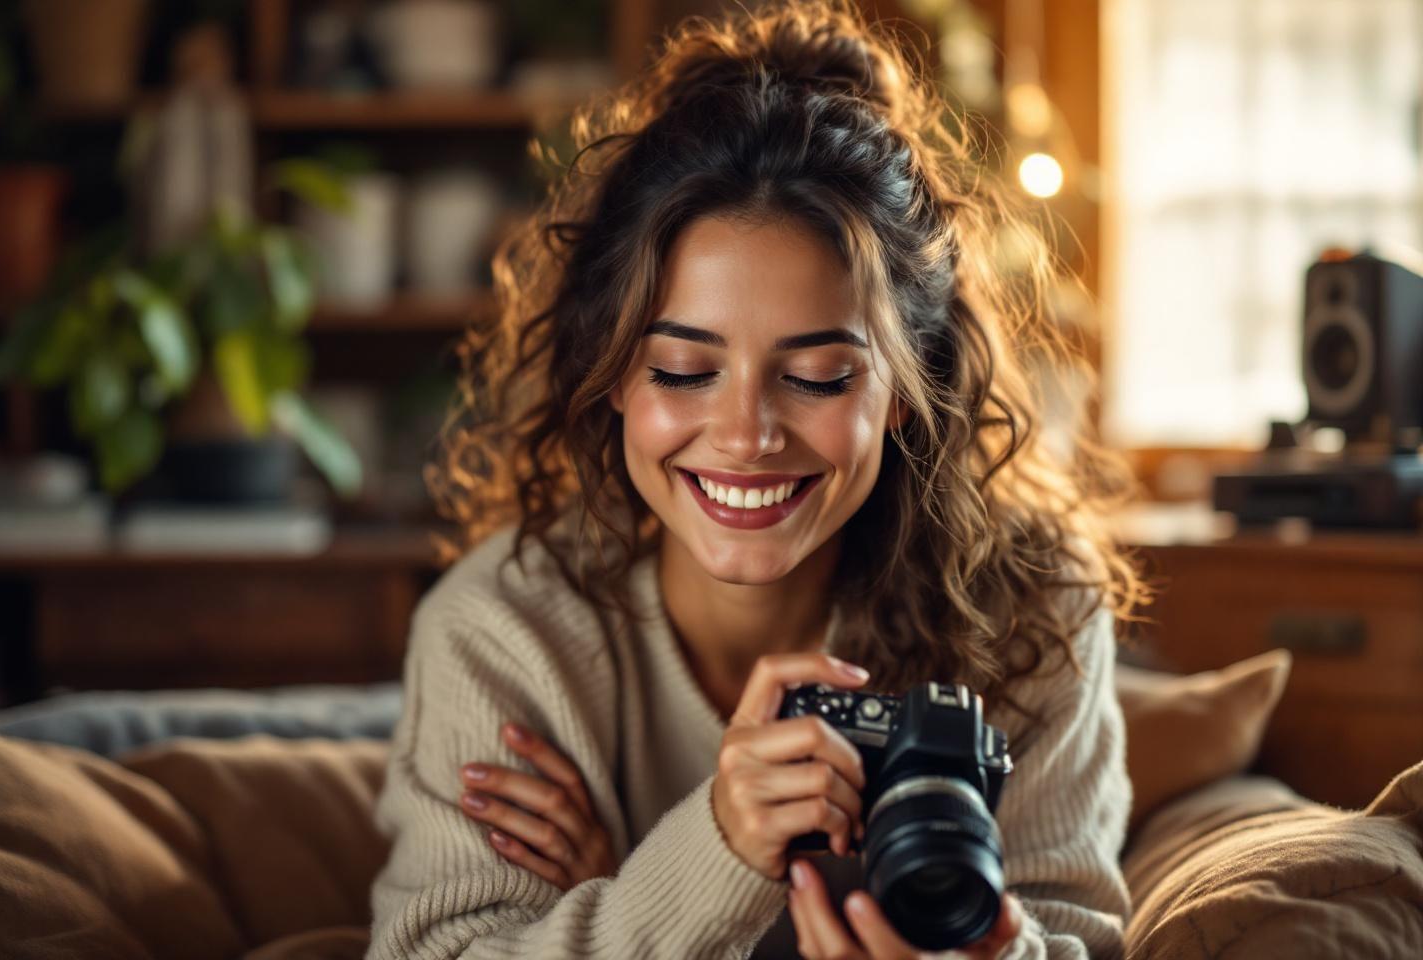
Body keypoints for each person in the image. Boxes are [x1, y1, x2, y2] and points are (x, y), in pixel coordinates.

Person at [366, 1, 1147, 957]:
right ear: (612, 376)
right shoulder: (503, 633)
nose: (745, 437)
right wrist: (710, 854)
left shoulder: (1029, 609)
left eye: (816, 377)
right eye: (681, 371)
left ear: (907, 390)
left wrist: (620, 896)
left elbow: (1075, 938)